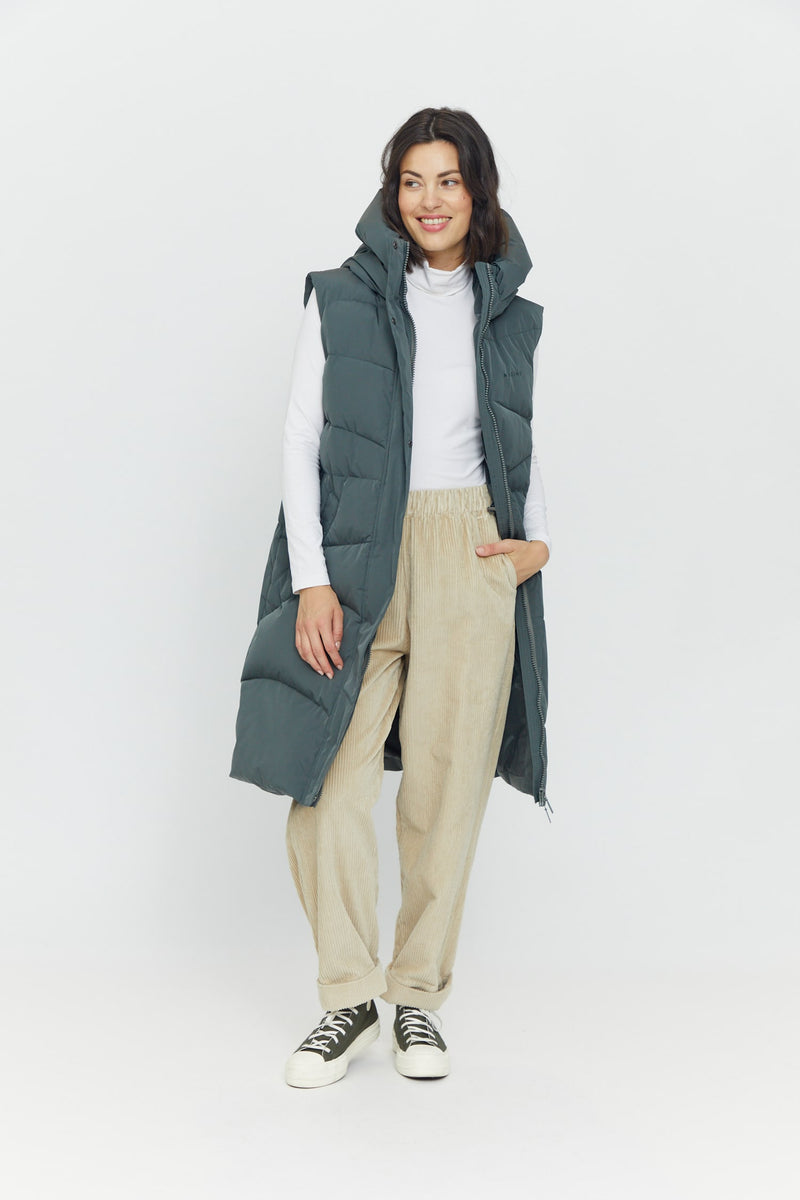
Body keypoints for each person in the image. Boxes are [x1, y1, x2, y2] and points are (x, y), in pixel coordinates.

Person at [229, 106, 552, 1089]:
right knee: (325, 783)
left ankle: (415, 997)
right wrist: (312, 580)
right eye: (412, 181)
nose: (429, 200)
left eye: (447, 180)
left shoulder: (510, 313)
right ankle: (347, 996)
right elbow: (299, 438)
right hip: (358, 555)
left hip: (470, 551)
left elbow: (521, 433)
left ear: (477, 191)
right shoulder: (340, 296)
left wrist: (534, 544)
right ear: (391, 192)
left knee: (446, 793)